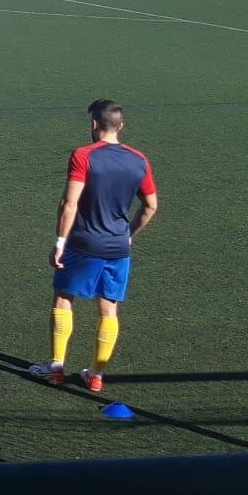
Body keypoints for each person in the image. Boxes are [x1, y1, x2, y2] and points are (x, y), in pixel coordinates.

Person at [30, 100, 159, 393]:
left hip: (83, 244)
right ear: (121, 126)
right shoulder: (139, 160)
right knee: (108, 309)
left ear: (94, 124)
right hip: (117, 248)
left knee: (63, 299)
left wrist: (60, 242)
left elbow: (69, 203)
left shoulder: (84, 155)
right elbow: (151, 206)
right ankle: (96, 374)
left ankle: (57, 367)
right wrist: (128, 235)